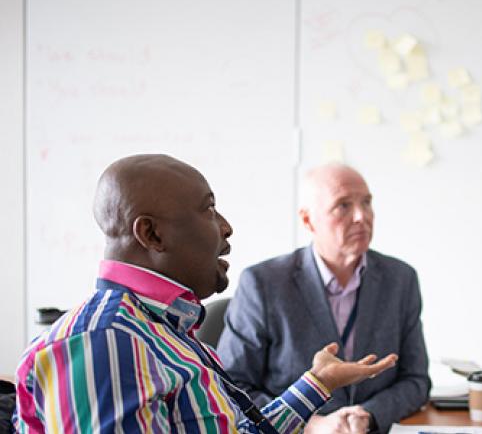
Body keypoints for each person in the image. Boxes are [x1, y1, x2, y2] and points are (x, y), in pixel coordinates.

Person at [15, 154, 397, 433]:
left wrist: (318, 382)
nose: (227, 228)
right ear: (152, 234)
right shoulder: (106, 342)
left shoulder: (165, 328)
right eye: (209, 209)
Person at [217, 163, 430, 434]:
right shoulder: (263, 283)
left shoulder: (400, 279)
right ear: (308, 220)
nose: (361, 217)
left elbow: (416, 380)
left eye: (366, 202)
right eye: (343, 206)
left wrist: (367, 414)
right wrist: (310, 424)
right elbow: (230, 387)